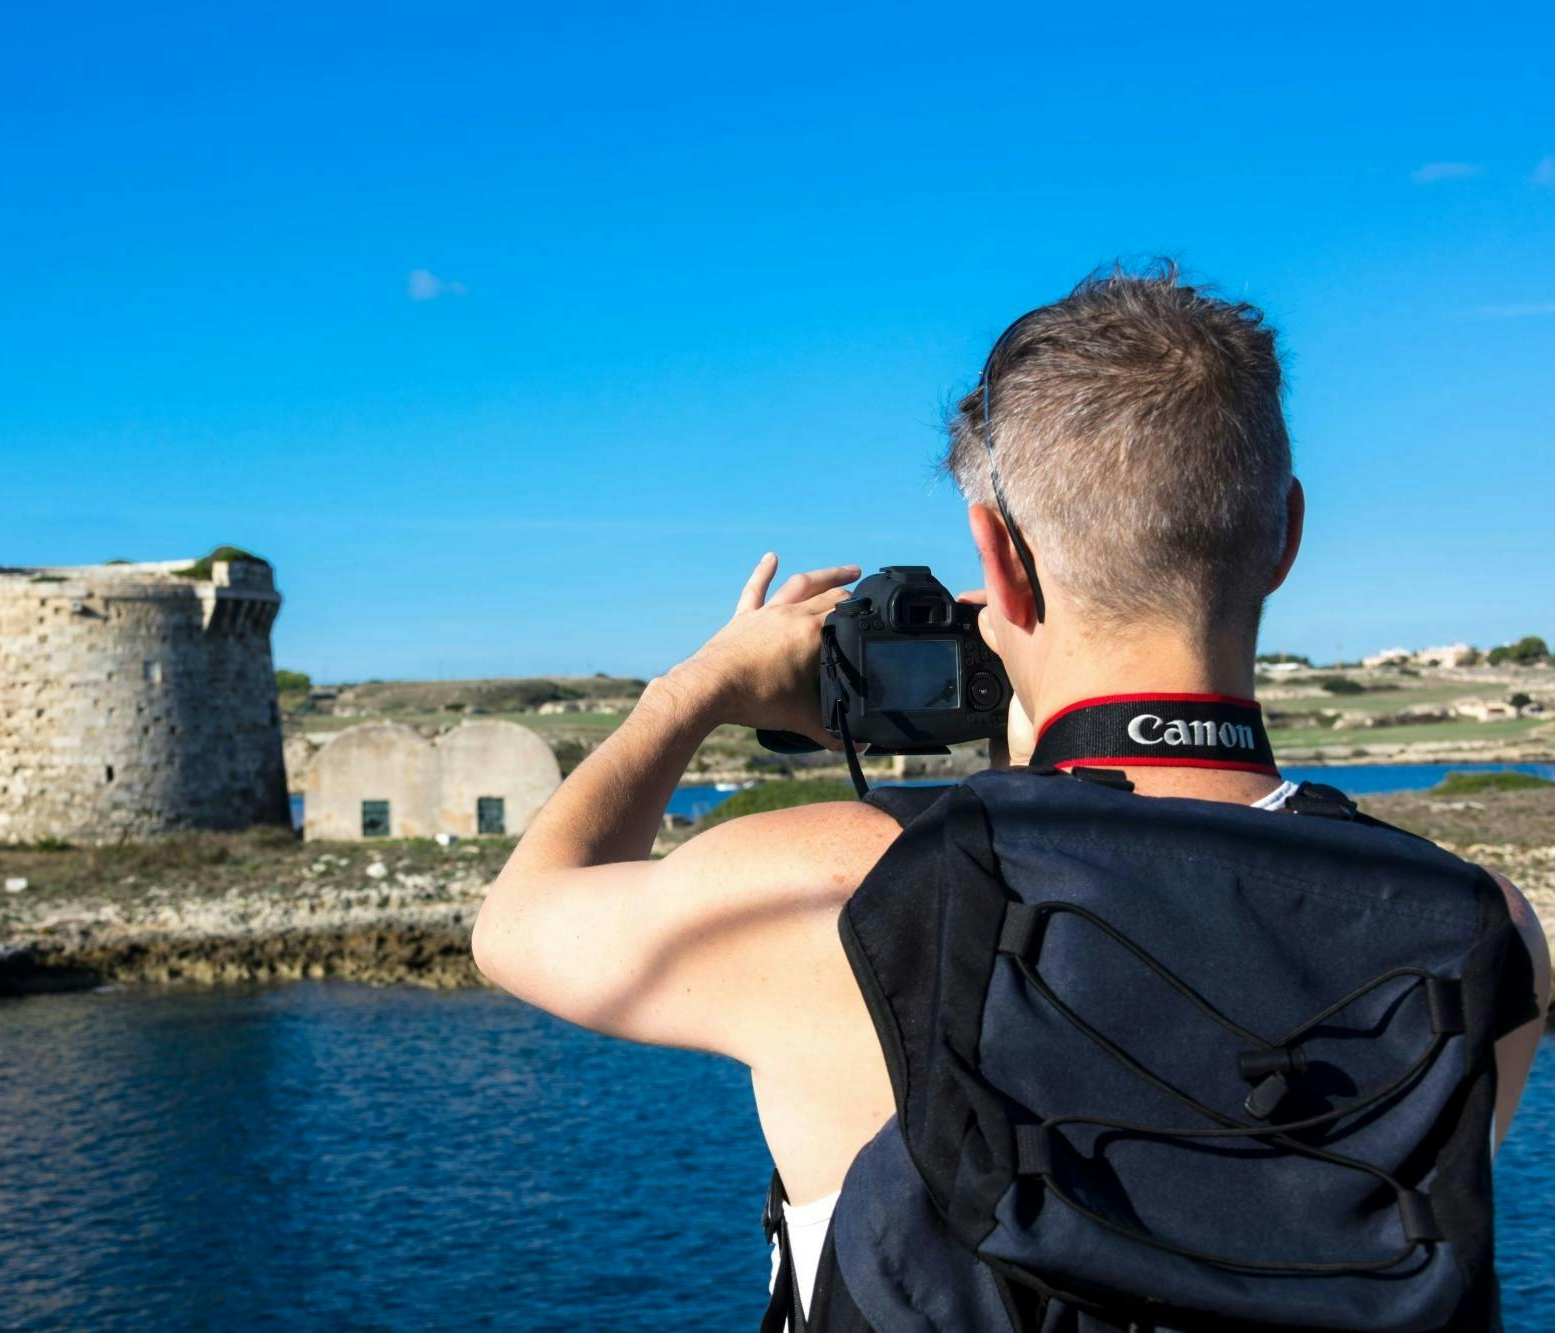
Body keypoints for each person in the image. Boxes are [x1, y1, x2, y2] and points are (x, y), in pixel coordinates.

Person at [472, 265, 1551, 1331]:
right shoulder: (1479, 934)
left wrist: (697, 686)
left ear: (997, 553)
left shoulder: (841, 891)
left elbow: (517, 924)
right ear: (1281, 537)